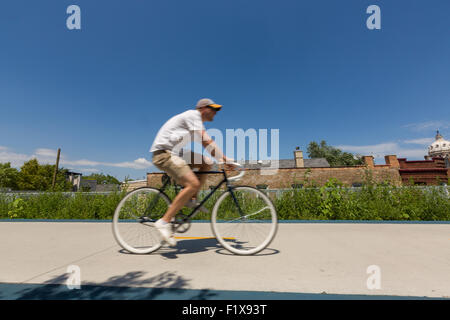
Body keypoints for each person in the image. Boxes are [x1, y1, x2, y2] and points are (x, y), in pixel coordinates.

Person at [150, 98, 236, 246]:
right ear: (203, 109)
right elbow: (206, 141)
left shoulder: (196, 121)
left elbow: (205, 143)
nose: (215, 112)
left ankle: (191, 199)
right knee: (193, 183)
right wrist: (224, 158)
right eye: (213, 109)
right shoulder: (193, 115)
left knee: (207, 163)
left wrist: (220, 159)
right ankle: (164, 222)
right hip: (163, 154)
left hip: (175, 152)